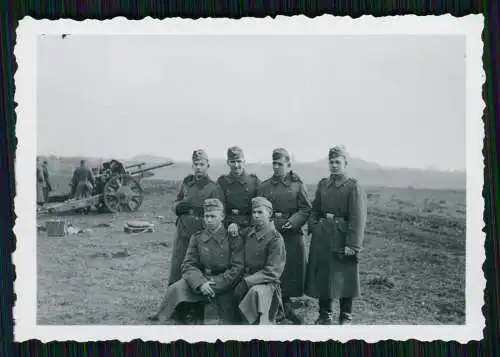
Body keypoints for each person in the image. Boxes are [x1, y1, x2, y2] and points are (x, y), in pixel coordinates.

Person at [149, 198, 244, 324]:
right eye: (206, 216)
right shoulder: (197, 237)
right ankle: (179, 312)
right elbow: (188, 264)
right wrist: (200, 283)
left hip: (224, 285)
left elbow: (237, 268)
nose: (209, 220)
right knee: (176, 288)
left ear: (222, 217)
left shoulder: (233, 238)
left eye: (213, 216)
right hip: (201, 281)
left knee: (216, 320)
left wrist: (215, 283)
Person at [305, 145, 368, 325]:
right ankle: (325, 314)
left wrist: (352, 244)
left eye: (338, 162)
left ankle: (345, 316)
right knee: (324, 276)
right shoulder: (323, 184)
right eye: (331, 162)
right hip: (322, 237)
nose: (334, 165)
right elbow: (315, 209)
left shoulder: (353, 187)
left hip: (342, 238)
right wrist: (314, 226)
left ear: (345, 164)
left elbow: (358, 218)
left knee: (344, 277)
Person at [256, 148, 312, 324]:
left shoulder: (298, 185)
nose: (277, 167)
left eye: (280, 164)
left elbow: (306, 209)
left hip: (290, 235)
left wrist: (294, 221)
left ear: (288, 165)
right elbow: (258, 208)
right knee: (272, 267)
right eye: (274, 163)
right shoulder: (264, 186)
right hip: (270, 232)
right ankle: (274, 305)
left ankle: (285, 307)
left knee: (289, 271)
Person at [168, 149, 225, 285]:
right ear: (192, 166)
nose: (198, 167)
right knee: (179, 260)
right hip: (183, 228)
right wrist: (177, 207)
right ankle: (175, 291)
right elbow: (177, 200)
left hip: (201, 229)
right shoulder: (187, 183)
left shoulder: (213, 188)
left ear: (207, 166)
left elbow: (220, 213)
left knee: (198, 263)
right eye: (196, 164)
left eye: (201, 164)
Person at [234, 197, 286, 324]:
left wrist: (247, 282)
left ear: (269, 214)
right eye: (254, 212)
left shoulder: (275, 238)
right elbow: (236, 236)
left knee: (254, 293)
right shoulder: (249, 232)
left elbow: (273, 271)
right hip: (245, 276)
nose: (256, 216)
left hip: (265, 283)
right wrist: (233, 226)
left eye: (260, 212)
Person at [216, 146, 260, 236]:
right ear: (228, 162)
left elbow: (258, 208)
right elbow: (219, 208)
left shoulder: (254, 182)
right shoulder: (222, 182)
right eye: (233, 162)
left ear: (244, 162)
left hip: (248, 228)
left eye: (239, 161)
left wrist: (249, 227)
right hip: (227, 227)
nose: (236, 165)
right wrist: (229, 224)